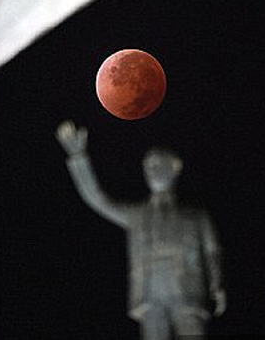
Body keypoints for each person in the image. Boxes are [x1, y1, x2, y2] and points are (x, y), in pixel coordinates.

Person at [55, 120, 225, 340]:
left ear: (175, 167)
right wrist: (78, 157)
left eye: (157, 164)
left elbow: (212, 251)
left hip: (188, 294)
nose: (151, 171)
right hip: (150, 296)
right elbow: (97, 198)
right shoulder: (137, 215)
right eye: (148, 167)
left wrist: (217, 283)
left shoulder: (196, 216)